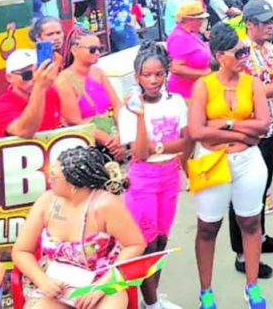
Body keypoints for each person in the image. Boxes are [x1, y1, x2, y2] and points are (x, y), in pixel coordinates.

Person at [187, 24, 272, 309]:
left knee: (250, 222)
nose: (246, 57)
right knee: (208, 227)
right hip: (212, 162)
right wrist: (242, 133)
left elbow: (264, 124)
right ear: (221, 55)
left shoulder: (253, 84)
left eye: (246, 51)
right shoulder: (203, 86)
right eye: (240, 52)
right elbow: (196, 131)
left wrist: (225, 125)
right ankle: (206, 292)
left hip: (248, 161)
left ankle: (252, 286)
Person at [12, 146, 145, 307]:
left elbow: (135, 244)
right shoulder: (46, 202)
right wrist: (43, 280)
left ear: (73, 184)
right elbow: (21, 251)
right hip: (56, 283)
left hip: (100, 281)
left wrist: (102, 286)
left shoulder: (105, 204)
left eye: (54, 177)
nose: (49, 180)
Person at [118, 42, 189, 309]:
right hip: (143, 181)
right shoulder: (129, 111)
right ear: (137, 77)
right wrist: (139, 116)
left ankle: (152, 298)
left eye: (158, 74)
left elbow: (184, 142)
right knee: (145, 243)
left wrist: (159, 147)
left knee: (161, 240)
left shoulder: (176, 102)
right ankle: (152, 302)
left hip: (170, 175)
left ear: (166, 73)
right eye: (147, 75)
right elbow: (139, 153)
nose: (153, 80)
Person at [225, 0, 273, 280]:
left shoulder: (271, 49)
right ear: (249, 24)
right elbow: (233, 93)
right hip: (248, 134)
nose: (270, 27)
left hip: (270, 127)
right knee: (243, 194)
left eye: (271, 22)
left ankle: (260, 238)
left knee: (262, 189)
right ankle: (242, 252)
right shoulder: (239, 53)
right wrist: (268, 90)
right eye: (264, 23)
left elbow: (272, 85)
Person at [56, 28, 125, 160]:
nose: (98, 53)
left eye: (100, 48)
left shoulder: (99, 72)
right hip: (88, 149)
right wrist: (109, 141)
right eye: (92, 49)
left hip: (113, 139)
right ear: (75, 50)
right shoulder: (64, 81)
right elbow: (74, 122)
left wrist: (120, 135)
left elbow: (117, 104)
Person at [0, 49, 61, 138]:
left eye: (38, 71)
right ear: (9, 77)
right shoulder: (1, 106)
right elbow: (25, 131)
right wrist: (39, 87)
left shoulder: (50, 93)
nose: (35, 78)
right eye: (27, 74)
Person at [166, 0, 213, 99]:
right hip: (184, 94)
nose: (202, 22)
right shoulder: (179, 37)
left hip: (196, 91)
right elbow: (176, 68)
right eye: (199, 19)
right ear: (189, 19)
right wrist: (205, 73)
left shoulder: (190, 34)